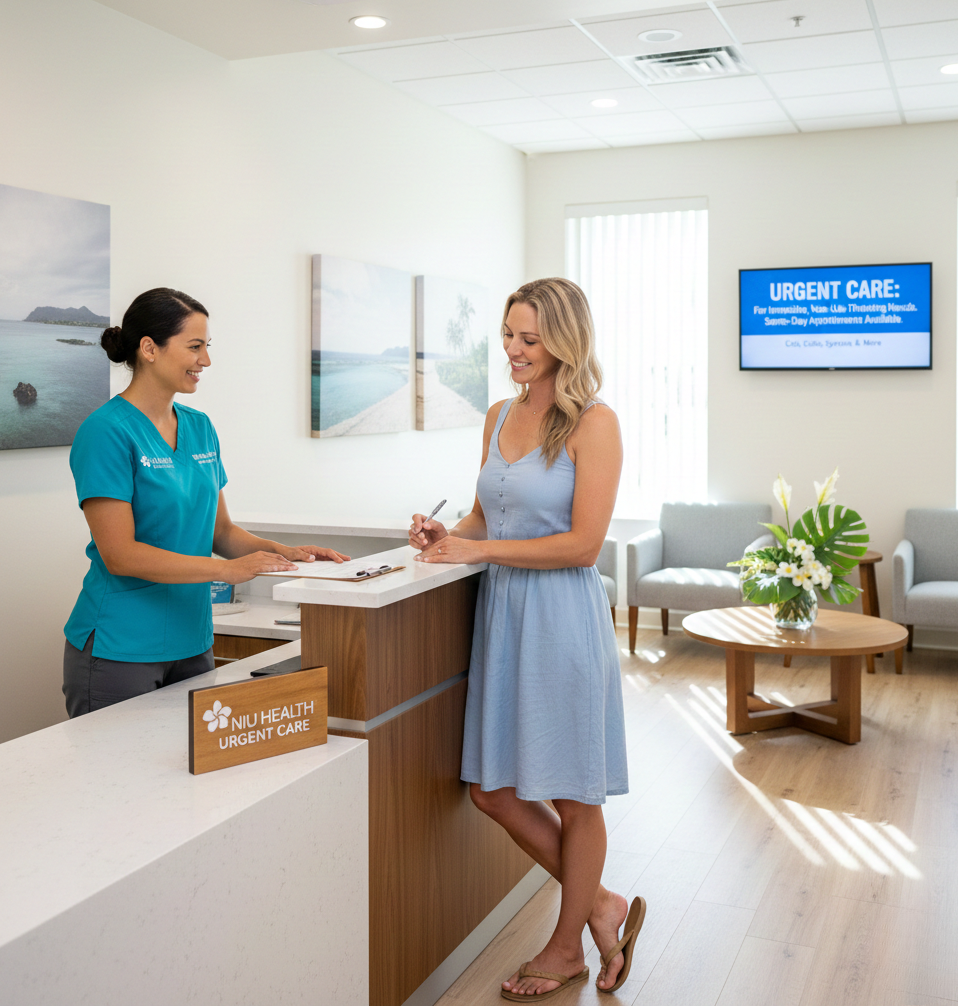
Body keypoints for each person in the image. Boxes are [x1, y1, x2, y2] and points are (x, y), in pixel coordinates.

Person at [409, 277, 644, 1001]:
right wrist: (453, 535)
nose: (513, 350)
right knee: (492, 790)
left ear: (565, 342)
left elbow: (581, 546)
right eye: (508, 335)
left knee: (574, 794)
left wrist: (479, 553)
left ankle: (565, 943)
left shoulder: (594, 424)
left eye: (530, 339)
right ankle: (602, 903)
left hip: (561, 619)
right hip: (504, 617)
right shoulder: (498, 415)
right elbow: (488, 514)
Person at [62, 287, 347, 717]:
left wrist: (286, 553)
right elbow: (119, 554)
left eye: (206, 347)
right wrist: (226, 571)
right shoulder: (106, 432)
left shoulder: (200, 428)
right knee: (122, 781)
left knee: (190, 779)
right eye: (194, 347)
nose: (206, 361)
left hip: (193, 642)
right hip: (122, 646)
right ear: (149, 349)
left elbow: (221, 532)